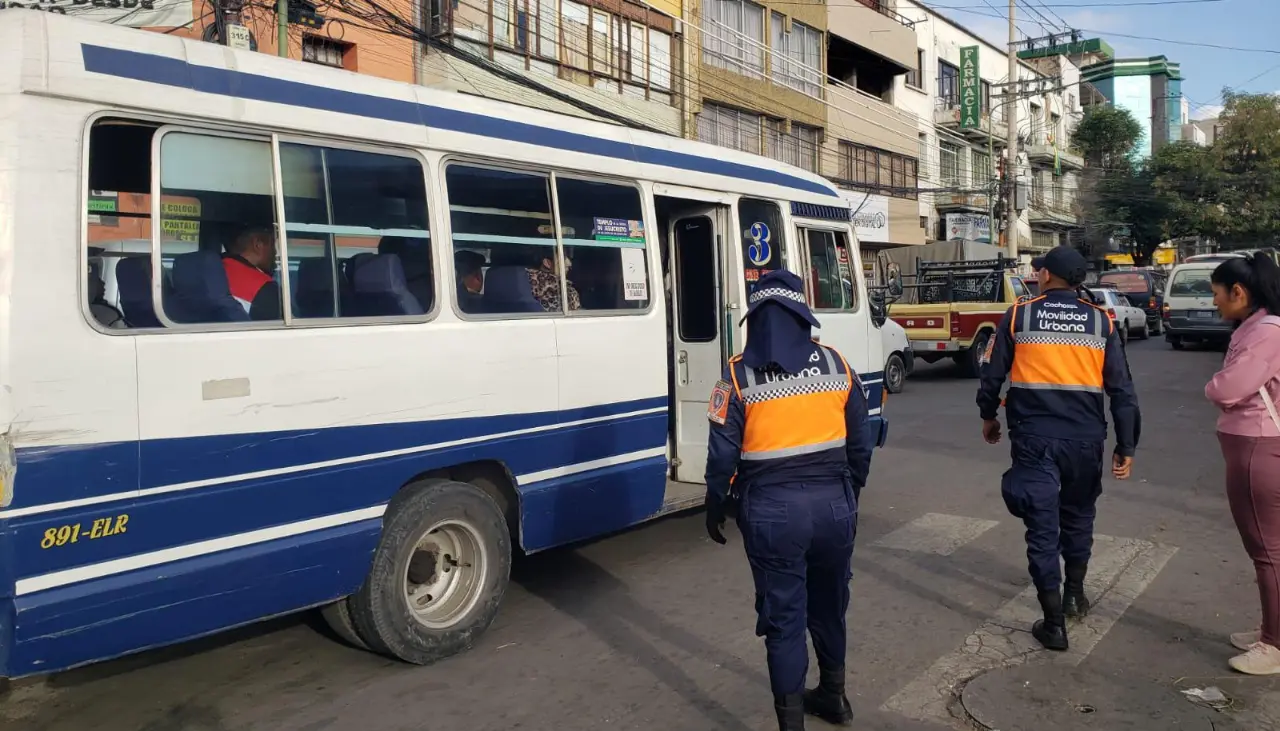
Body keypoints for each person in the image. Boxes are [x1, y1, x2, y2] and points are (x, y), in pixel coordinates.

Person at [704, 270, 874, 731]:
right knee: (830, 606)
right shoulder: (838, 364)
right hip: (835, 507)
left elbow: (722, 454)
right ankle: (835, 698)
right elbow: (862, 440)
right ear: (803, 316)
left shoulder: (737, 375)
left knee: (783, 618)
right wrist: (849, 492)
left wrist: (715, 503)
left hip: (773, 514)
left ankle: (791, 723)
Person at [976, 245, 1140, 652]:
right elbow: (1122, 390)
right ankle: (1074, 596)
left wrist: (988, 416)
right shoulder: (1101, 321)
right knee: (1079, 516)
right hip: (1085, 441)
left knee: (1042, 528)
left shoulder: (1020, 314)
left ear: (1047, 275)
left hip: (1034, 440)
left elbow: (991, 374)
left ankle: (1053, 623)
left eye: (1039, 270)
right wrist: (1127, 444)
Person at [1204, 252, 1280, 675]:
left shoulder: (1266, 332)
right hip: (1254, 443)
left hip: (1258, 446)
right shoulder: (1258, 327)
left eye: (1216, 294)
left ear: (1239, 292)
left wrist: (1214, 385)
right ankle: (1272, 628)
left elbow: (1227, 388)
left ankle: (1275, 645)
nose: (1214, 301)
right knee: (1268, 548)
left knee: (1267, 550)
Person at [223, 227, 281, 320]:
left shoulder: (208, 271)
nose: (275, 252)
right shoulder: (265, 288)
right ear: (257, 244)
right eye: (272, 244)